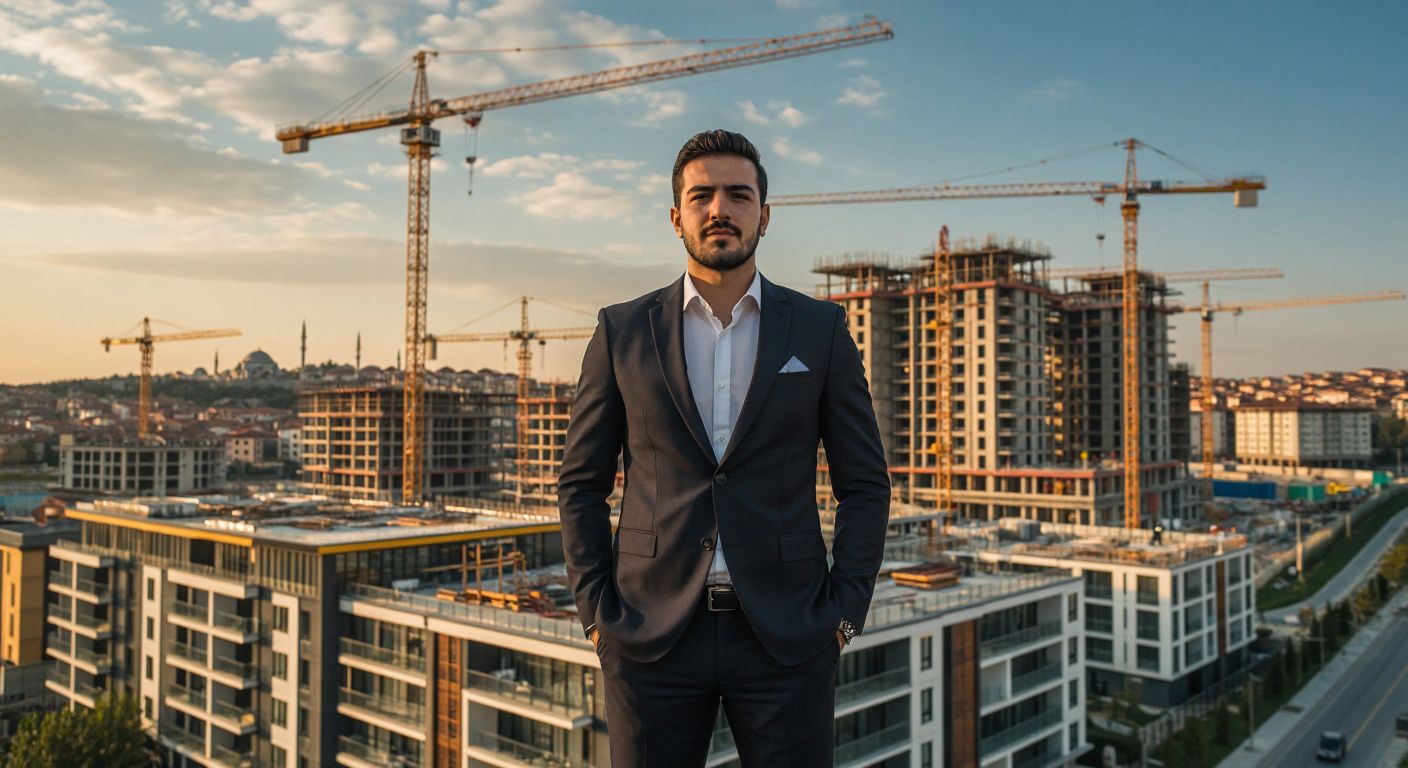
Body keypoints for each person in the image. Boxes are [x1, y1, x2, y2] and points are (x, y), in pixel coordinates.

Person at [558, 129, 890, 767]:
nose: (720, 209)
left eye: (739, 195)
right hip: (647, 634)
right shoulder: (620, 330)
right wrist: (598, 618)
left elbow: (865, 485)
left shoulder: (821, 331)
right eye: (701, 195)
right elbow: (581, 484)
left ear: (764, 215)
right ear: (675, 215)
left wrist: (844, 615)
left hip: (788, 636)